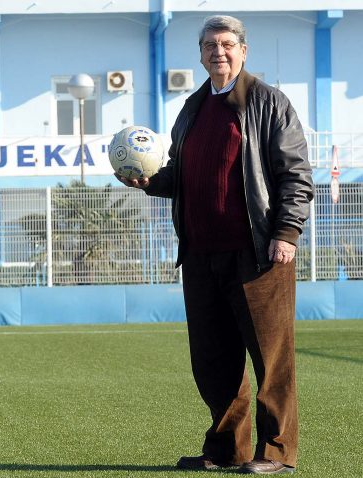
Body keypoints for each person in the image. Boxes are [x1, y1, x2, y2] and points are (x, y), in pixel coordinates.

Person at [115, 15, 313, 475]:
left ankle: (277, 453)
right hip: (201, 255)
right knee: (213, 362)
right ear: (200, 54)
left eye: (226, 44)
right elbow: (183, 178)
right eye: (209, 45)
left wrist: (286, 233)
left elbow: (295, 176)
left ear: (243, 51)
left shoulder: (268, 103)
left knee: (271, 361)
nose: (217, 52)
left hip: (258, 253)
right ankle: (227, 450)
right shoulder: (192, 108)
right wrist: (148, 182)